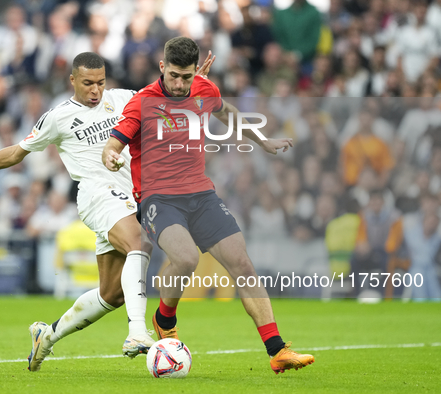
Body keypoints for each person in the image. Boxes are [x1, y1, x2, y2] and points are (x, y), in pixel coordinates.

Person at [0, 51, 215, 372]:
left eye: (101, 83)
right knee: (141, 244)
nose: (95, 90)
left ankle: (46, 336)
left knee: (112, 294)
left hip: (130, 197)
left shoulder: (122, 99)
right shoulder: (58, 116)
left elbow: (164, 97)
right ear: (73, 81)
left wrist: (194, 84)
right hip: (96, 194)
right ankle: (137, 333)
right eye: (88, 83)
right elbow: (14, 153)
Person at [102, 36, 314, 374]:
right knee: (186, 259)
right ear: (162, 67)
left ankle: (277, 350)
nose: (180, 84)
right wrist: (111, 156)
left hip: (201, 194)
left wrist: (263, 141)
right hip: (158, 198)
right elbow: (113, 143)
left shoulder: (203, 88)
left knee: (242, 264)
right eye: (174, 76)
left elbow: (227, 111)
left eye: (187, 77)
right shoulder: (142, 102)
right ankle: (165, 317)